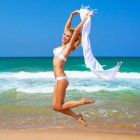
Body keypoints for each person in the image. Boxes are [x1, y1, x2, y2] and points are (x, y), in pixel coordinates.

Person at [52, 10, 95, 126]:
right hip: (58, 79)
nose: (64, 37)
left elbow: (76, 31)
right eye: (64, 35)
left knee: (59, 106)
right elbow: (68, 27)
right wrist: (71, 14)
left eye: (68, 36)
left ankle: (82, 101)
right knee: (56, 107)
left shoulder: (68, 47)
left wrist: (85, 19)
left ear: (72, 39)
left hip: (62, 79)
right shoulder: (62, 45)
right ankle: (77, 117)